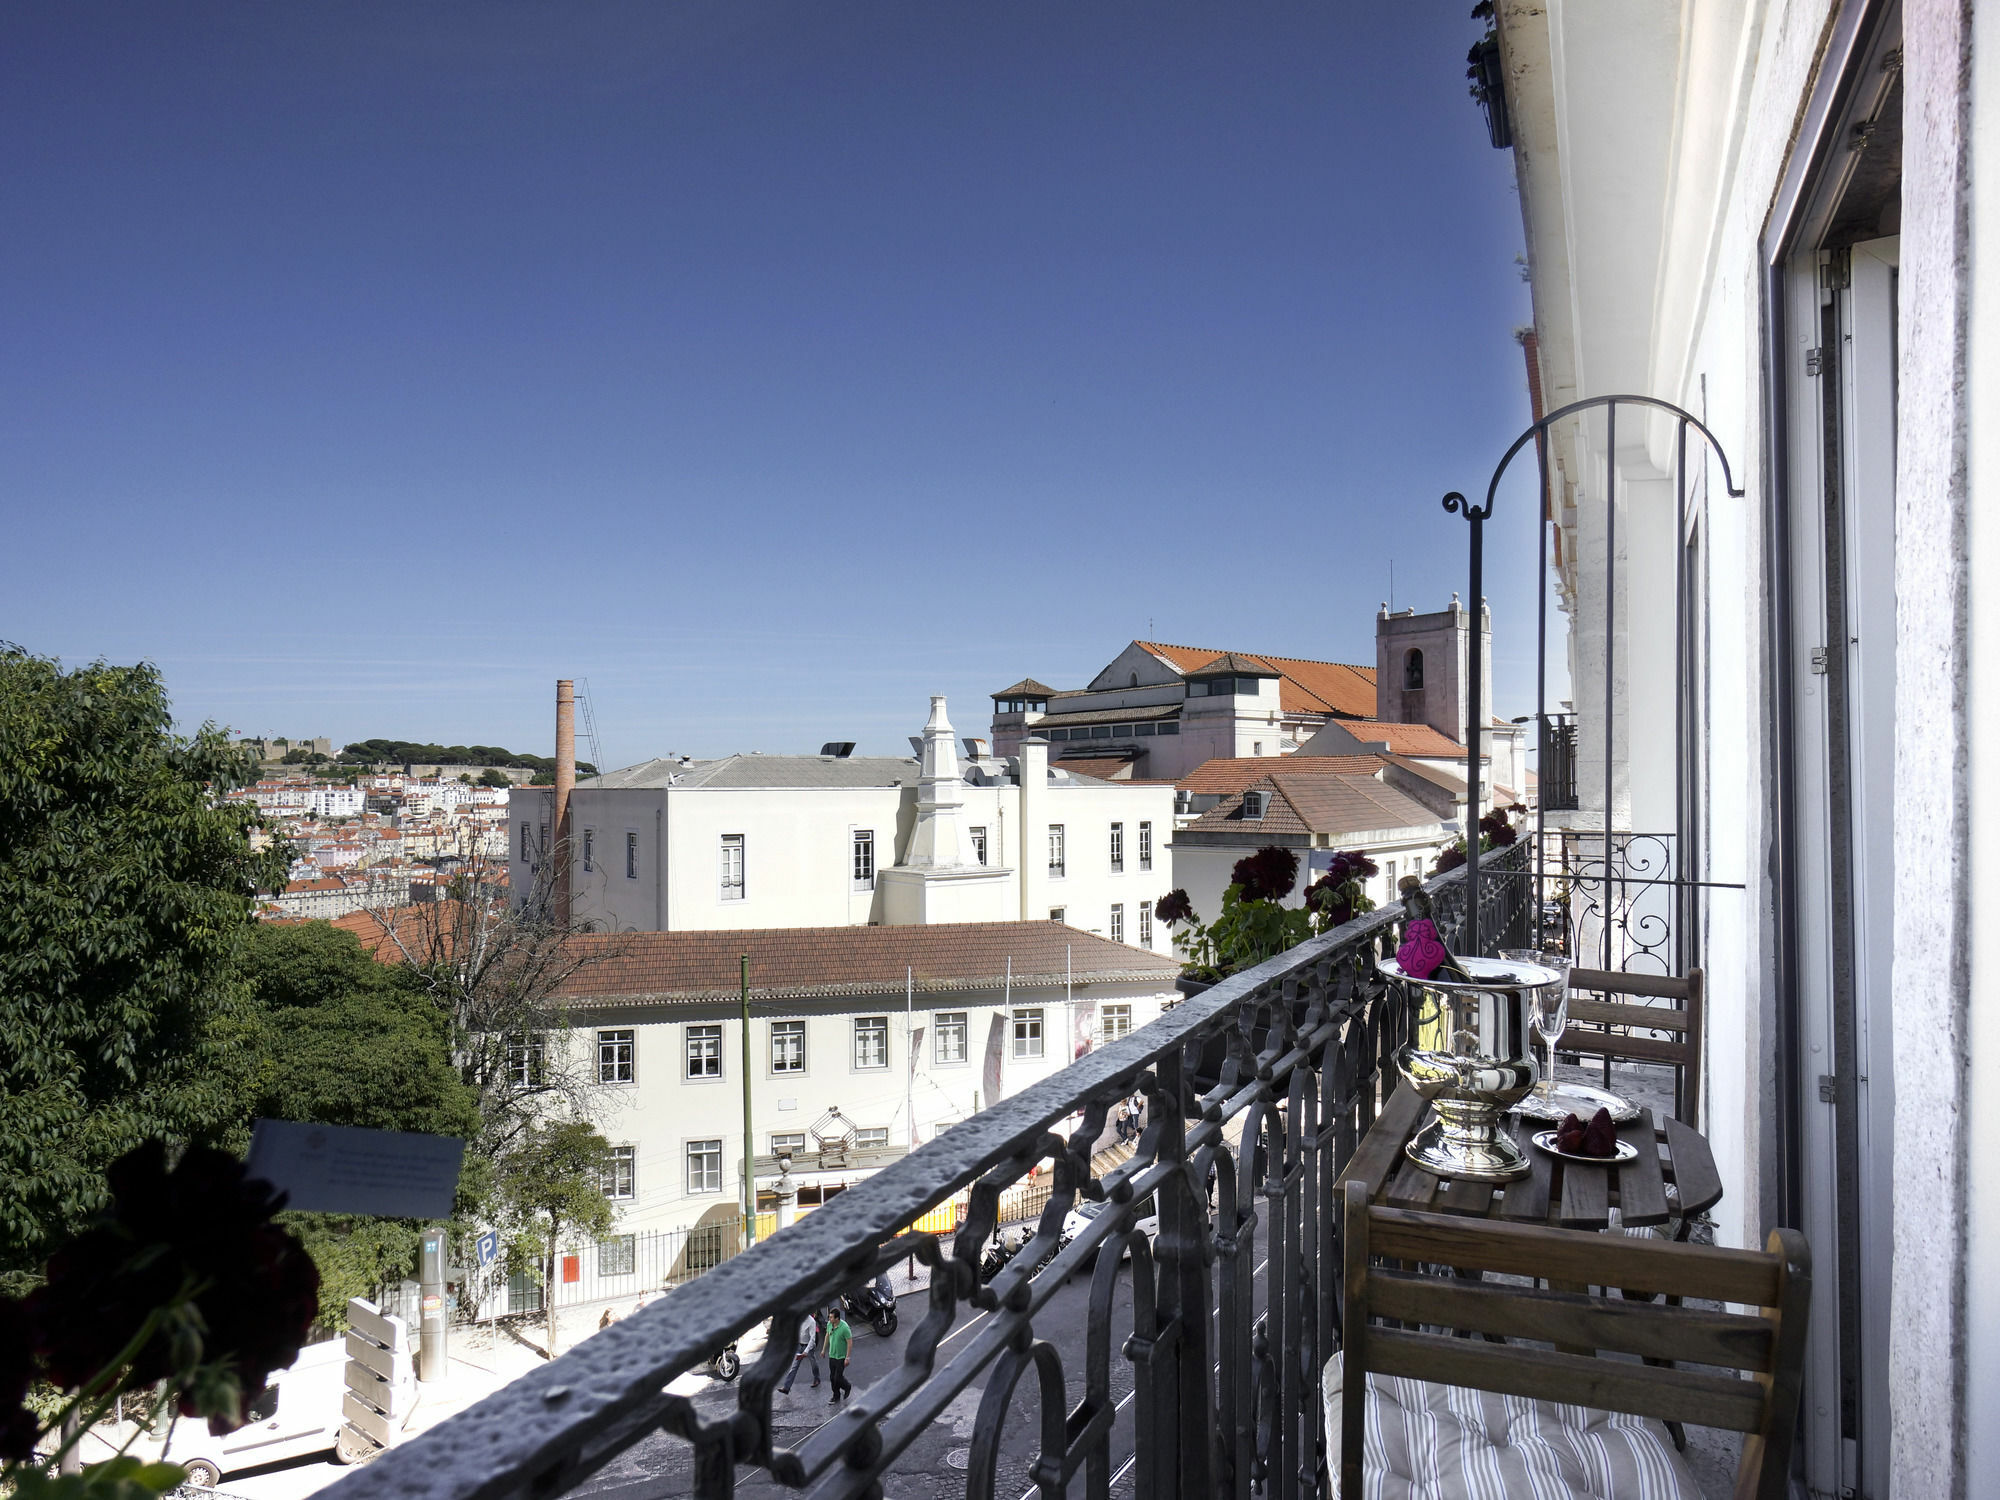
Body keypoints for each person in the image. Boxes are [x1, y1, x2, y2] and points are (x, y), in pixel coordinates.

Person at [777, 1309, 822, 1394]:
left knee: (813, 1363)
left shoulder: (811, 1322)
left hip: (808, 1346)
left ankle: (817, 1379)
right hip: (799, 1345)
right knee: (794, 1367)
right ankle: (786, 1388)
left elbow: (813, 1339)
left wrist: (806, 1352)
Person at [824, 1307, 852, 1404]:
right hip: (832, 1355)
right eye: (829, 1317)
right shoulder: (829, 1324)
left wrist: (847, 1357)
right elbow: (827, 1336)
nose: (829, 1319)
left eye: (831, 1318)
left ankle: (847, 1386)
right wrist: (823, 1350)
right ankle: (836, 1395)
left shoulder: (845, 1328)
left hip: (841, 1357)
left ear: (837, 1318)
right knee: (832, 1377)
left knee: (837, 1378)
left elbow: (849, 1343)